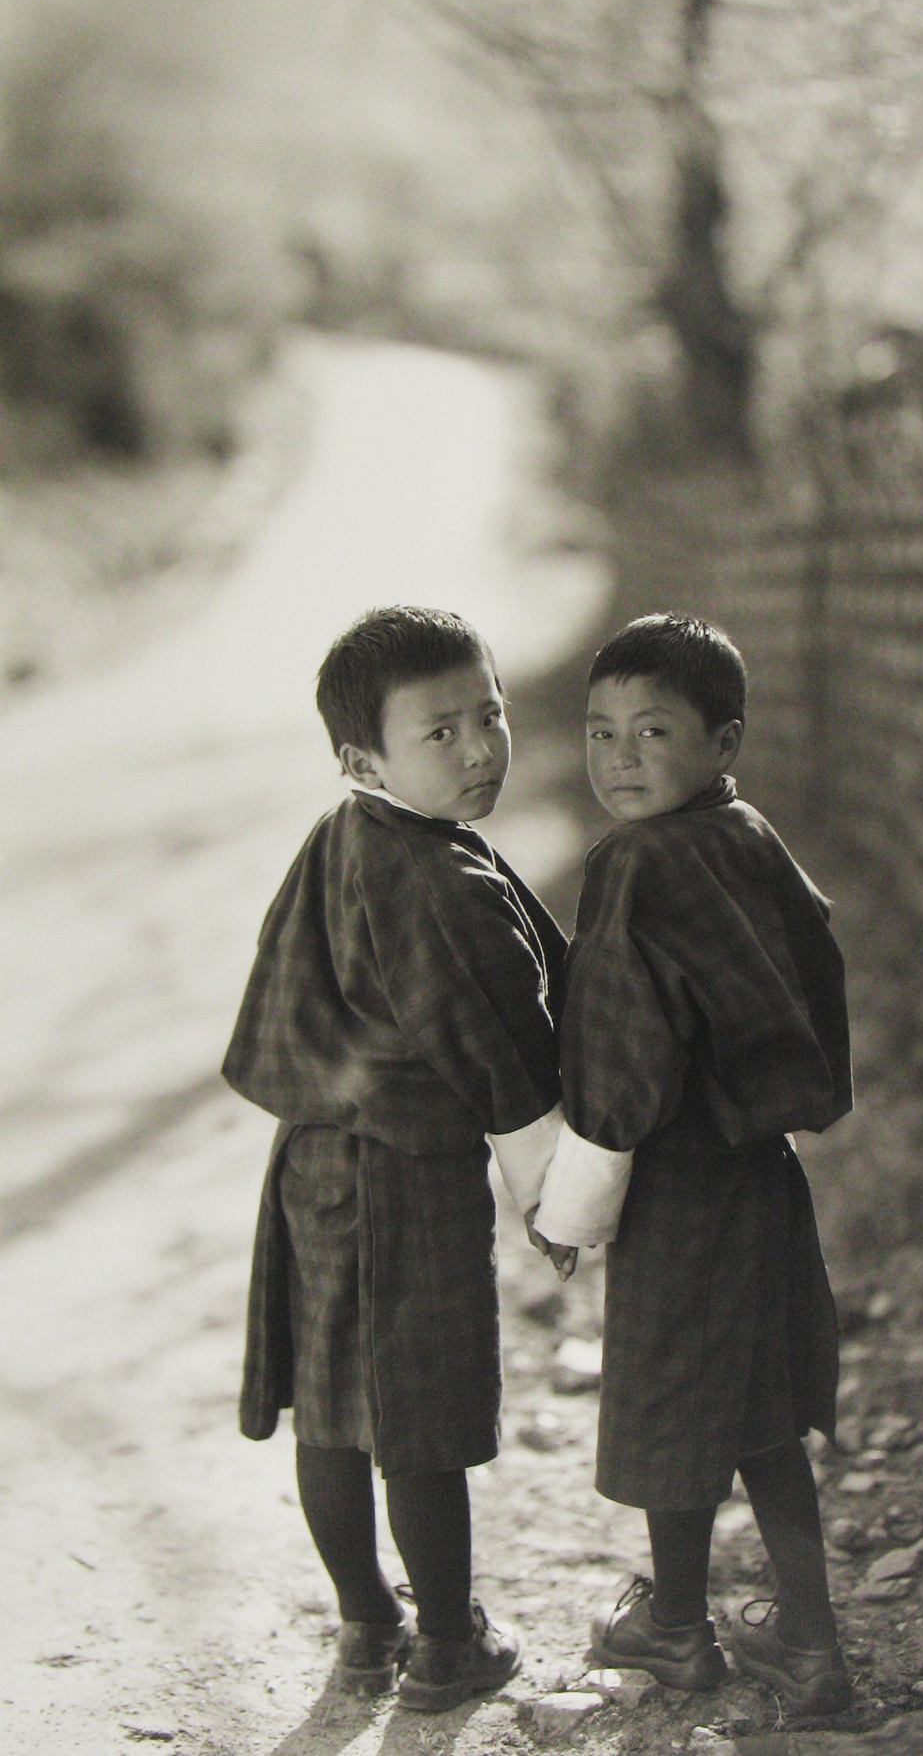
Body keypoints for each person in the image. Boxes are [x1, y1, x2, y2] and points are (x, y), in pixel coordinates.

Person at [223, 606, 568, 1707]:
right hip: (404, 1171)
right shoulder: (436, 881)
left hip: (310, 1161)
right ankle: (450, 1643)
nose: (478, 749)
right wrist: (560, 1197)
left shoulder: (343, 835)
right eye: (440, 732)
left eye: (490, 714)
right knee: (419, 1415)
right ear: (362, 758)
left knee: (331, 1407)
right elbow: (503, 1053)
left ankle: (369, 1628)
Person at [530, 613, 853, 1715]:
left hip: (676, 1185)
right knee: (759, 1412)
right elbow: (815, 956)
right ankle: (809, 1645)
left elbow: (619, 1064)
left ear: (723, 741)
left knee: (672, 1405)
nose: (618, 758)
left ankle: (674, 1627)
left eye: (651, 731)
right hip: (761, 1172)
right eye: (600, 732)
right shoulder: (748, 836)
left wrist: (567, 1212)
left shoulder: (631, 866)